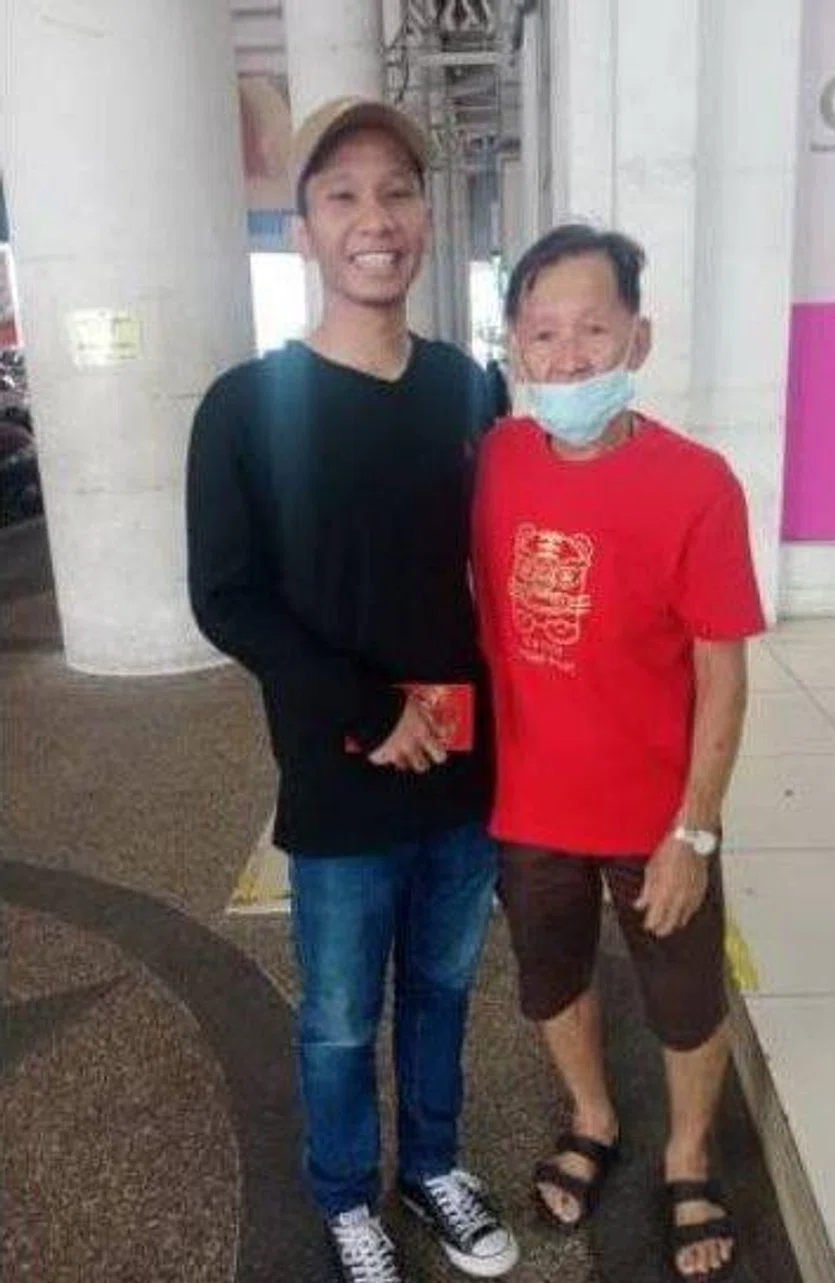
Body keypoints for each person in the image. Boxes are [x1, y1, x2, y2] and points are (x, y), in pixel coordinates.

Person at [187, 97, 519, 1283]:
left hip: (465, 770)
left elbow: (499, 568)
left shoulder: (468, 388)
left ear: (425, 216)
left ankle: (431, 1163)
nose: (374, 218)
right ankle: (344, 1193)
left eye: (397, 192)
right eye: (342, 196)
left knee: (442, 988)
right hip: (340, 772)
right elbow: (227, 597)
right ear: (303, 230)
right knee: (337, 1014)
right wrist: (369, 708)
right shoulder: (244, 405)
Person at [472, 224, 766, 1281]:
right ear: (515, 346)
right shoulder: (496, 459)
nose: (568, 357)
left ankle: (689, 1153)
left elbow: (723, 673)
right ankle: (593, 1115)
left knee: (684, 997)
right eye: (544, 333)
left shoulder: (698, 483)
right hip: (529, 807)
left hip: (656, 814)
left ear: (638, 338)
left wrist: (696, 827)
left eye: (593, 329)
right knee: (550, 978)